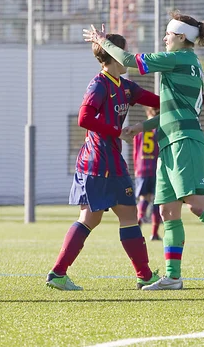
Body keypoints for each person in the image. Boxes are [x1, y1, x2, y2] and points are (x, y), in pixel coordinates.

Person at [83, 10, 204, 291]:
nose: (164, 38)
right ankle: (173, 276)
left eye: (168, 34)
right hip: (169, 140)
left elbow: (127, 60)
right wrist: (142, 127)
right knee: (168, 212)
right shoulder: (188, 62)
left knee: (195, 204)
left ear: (182, 37)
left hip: (185, 140)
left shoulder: (180, 58)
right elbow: (178, 111)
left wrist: (103, 40)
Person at [46, 33, 161, 291]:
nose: (127, 55)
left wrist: (187, 102)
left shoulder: (126, 86)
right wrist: (117, 131)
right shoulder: (99, 84)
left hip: (107, 161)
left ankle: (58, 274)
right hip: (100, 160)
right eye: (124, 51)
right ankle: (144, 276)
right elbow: (84, 118)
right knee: (119, 215)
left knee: (96, 218)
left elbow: (157, 102)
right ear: (112, 54)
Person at [133, 106, 162, 241]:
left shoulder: (140, 130)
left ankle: (139, 219)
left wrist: (136, 167)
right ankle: (154, 233)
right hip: (157, 168)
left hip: (142, 168)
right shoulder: (160, 128)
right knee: (157, 200)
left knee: (144, 198)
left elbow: (135, 151)